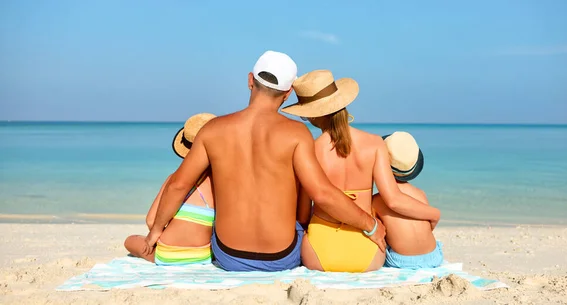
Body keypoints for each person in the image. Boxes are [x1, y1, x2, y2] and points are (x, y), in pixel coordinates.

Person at [143, 51, 387, 272]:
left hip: (229, 256)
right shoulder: (296, 134)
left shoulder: (213, 130)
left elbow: (178, 185)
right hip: (281, 258)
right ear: (288, 93)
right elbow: (322, 194)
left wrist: (156, 231)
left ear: (250, 80)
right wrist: (371, 225)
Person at [281, 70, 441, 273]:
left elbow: (303, 214)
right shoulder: (375, 144)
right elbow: (393, 200)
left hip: (319, 255)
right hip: (368, 252)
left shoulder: (310, 150)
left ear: (311, 116)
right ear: (342, 102)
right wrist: (434, 214)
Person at [124, 113, 217, 265]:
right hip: (204, 254)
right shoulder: (219, 182)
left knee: (130, 241)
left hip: (167, 255)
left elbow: (151, 221)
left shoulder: (174, 179)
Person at [372, 131, 443, 269]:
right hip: (434, 256)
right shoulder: (420, 194)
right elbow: (428, 227)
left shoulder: (376, 201)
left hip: (402, 260)